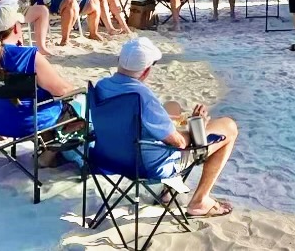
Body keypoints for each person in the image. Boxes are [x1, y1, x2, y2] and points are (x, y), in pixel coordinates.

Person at [95, 38, 239, 218]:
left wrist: (170, 122)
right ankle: (200, 201)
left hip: (109, 159)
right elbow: (179, 143)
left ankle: (167, 192)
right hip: (149, 166)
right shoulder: (141, 96)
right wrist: (197, 127)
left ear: (119, 61)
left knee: (172, 106)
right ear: (146, 70)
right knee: (228, 126)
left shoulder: (101, 86)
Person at [0, 6, 83, 167]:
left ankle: (48, 145)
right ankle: (50, 152)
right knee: (81, 101)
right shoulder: (29, 57)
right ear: (16, 27)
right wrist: (79, 91)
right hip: (27, 123)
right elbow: (62, 90)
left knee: (36, 100)